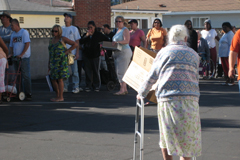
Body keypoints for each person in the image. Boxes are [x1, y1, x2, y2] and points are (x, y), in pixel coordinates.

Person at [137, 25, 202, 160]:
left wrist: (142, 92)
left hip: (168, 99)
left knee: (167, 135)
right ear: (185, 38)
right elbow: (195, 76)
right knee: (187, 138)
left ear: (170, 38)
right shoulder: (194, 55)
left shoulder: (163, 52)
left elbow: (152, 75)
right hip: (189, 99)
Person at [48, 25, 77, 102]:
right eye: (53, 31)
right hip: (53, 62)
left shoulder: (63, 39)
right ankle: (57, 95)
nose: (54, 33)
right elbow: (50, 53)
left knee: (60, 79)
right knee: (53, 79)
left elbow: (75, 44)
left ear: (59, 31)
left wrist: (67, 51)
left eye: (56, 31)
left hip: (61, 62)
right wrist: (49, 63)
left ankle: (61, 96)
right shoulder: (51, 40)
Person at [80, 21, 109, 92]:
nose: (90, 29)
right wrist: (86, 36)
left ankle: (96, 85)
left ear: (94, 27)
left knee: (96, 70)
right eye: (88, 28)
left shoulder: (98, 34)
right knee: (88, 71)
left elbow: (107, 39)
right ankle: (88, 85)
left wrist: (102, 46)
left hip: (95, 55)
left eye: (91, 28)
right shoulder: (86, 35)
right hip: (87, 55)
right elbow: (81, 41)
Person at [8, 19, 32, 100]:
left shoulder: (24, 32)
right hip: (16, 58)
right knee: (18, 76)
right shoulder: (13, 34)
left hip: (24, 58)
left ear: (16, 25)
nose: (11, 27)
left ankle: (28, 93)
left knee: (25, 75)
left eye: (12, 25)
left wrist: (22, 54)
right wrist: (11, 54)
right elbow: (11, 45)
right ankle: (19, 92)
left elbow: (27, 43)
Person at [112, 16, 132, 95]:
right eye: (116, 21)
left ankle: (122, 89)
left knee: (121, 71)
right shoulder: (117, 30)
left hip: (124, 51)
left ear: (123, 22)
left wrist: (117, 42)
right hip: (118, 52)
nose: (118, 23)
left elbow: (126, 41)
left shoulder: (125, 30)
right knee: (121, 71)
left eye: (119, 21)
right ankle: (125, 88)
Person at [62, 13, 81, 93]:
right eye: (65, 17)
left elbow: (77, 41)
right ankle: (65, 86)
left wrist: (77, 53)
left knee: (74, 71)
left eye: (67, 17)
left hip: (72, 53)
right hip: (64, 53)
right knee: (65, 71)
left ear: (71, 19)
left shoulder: (74, 29)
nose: (65, 18)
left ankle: (76, 86)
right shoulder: (62, 28)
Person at [0, 37, 8, 104]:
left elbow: (5, 48)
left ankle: (0, 98)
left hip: (0, 58)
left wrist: (7, 57)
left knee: (0, 79)